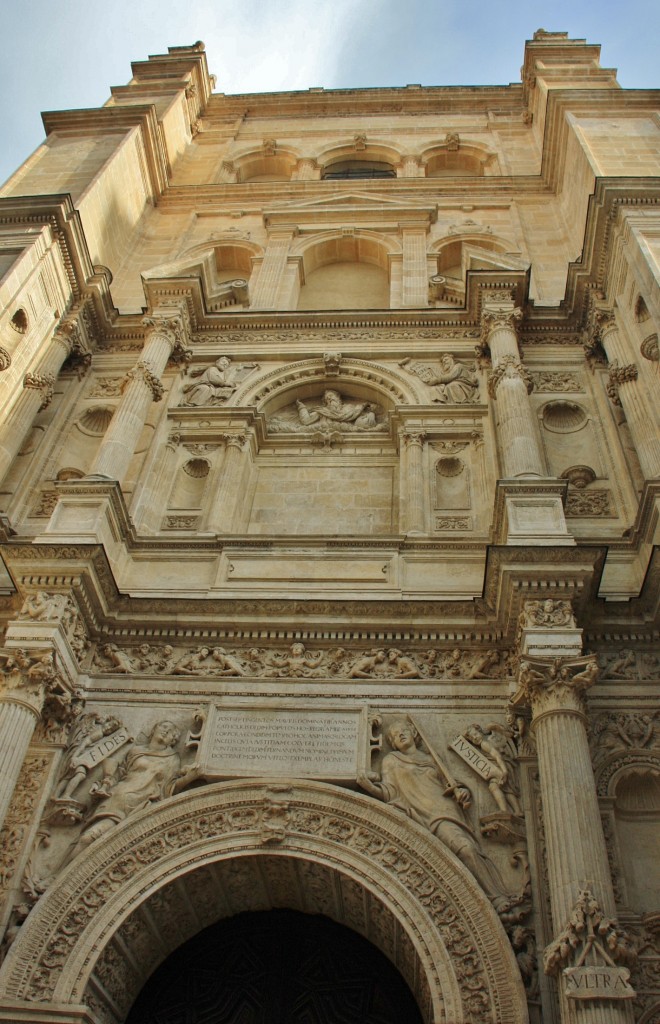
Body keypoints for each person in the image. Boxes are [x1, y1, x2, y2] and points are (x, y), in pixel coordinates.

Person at [358, 718, 514, 912]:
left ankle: (494, 897)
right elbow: (390, 792)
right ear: (392, 743)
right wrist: (370, 788)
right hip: (417, 814)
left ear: (414, 733)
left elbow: (452, 784)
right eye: (395, 735)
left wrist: (463, 792)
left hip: (444, 812)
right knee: (462, 850)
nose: (400, 734)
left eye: (403, 730)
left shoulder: (432, 759)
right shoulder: (391, 760)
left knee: (467, 849)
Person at [74, 721, 181, 850]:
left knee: (95, 842)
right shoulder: (135, 751)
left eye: (171, 732)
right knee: (87, 840)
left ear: (173, 740)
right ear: (154, 729)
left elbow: (169, 787)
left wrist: (192, 776)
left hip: (139, 807)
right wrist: (102, 785)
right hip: (115, 800)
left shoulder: (172, 759)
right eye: (163, 727)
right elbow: (118, 773)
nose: (166, 731)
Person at [181, 356, 255, 406]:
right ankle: (192, 403)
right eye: (223, 362)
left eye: (226, 365)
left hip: (212, 388)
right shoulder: (212, 369)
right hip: (204, 385)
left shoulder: (222, 374)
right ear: (217, 362)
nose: (224, 365)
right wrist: (226, 384)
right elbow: (213, 379)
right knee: (205, 389)